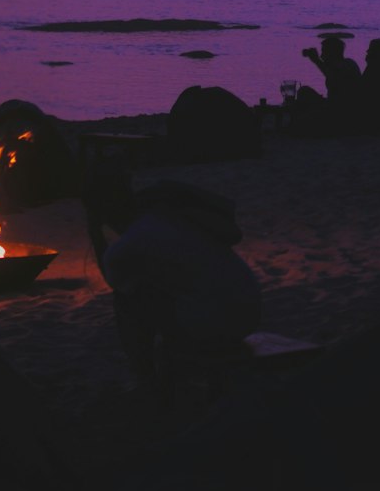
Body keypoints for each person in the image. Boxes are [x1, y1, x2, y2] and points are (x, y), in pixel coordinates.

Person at [82, 161, 261, 402]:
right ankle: (166, 372)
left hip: (220, 322)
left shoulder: (128, 245)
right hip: (251, 310)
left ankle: (147, 381)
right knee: (158, 291)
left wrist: (95, 231)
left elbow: (116, 282)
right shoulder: (169, 215)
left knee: (127, 301)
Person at [302, 33, 362, 102]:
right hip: (335, 104)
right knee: (304, 90)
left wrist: (316, 60)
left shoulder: (347, 65)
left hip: (342, 107)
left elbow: (333, 76)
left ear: (332, 53)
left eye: (324, 52)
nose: (321, 56)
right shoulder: (347, 63)